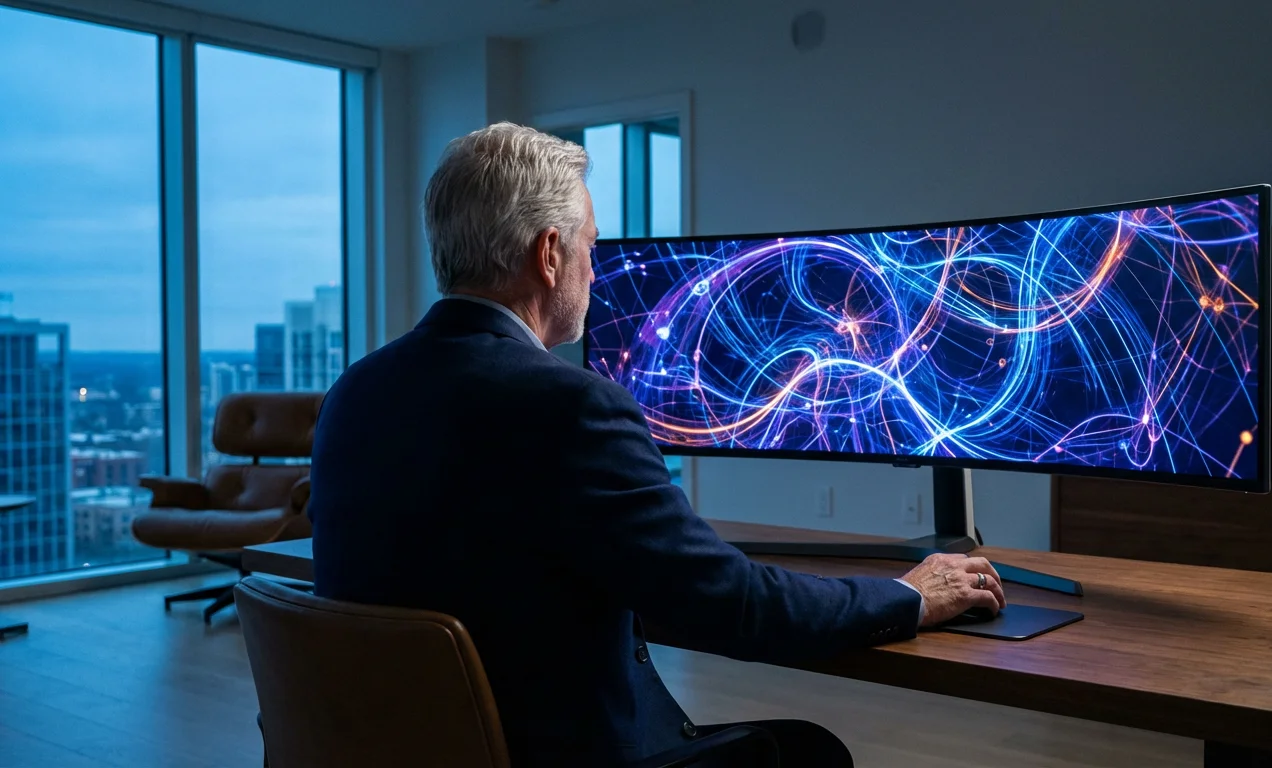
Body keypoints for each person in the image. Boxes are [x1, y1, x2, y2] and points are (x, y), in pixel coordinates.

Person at [307, 122, 1005, 767]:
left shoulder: (354, 394)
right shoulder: (570, 406)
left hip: (396, 749)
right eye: (589, 247)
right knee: (807, 755)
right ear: (549, 254)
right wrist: (907, 596)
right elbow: (733, 607)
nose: (593, 269)